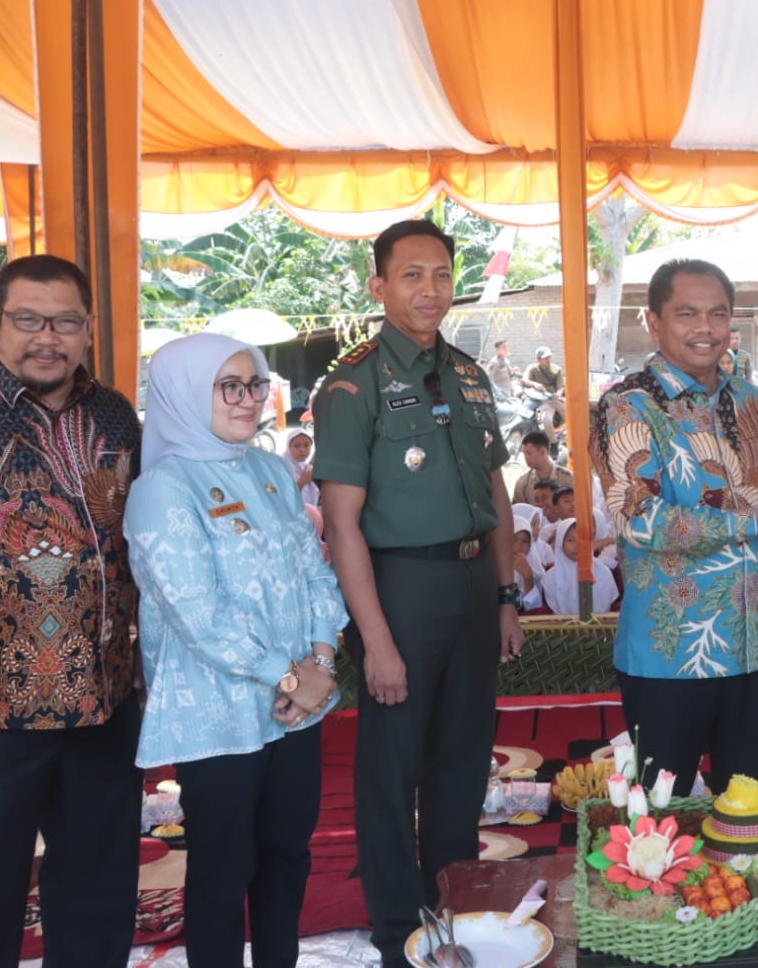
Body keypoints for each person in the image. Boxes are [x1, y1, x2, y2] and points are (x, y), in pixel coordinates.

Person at [311, 219, 525, 968]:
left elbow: (494, 489)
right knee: (390, 769)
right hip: (399, 586)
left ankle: (455, 902)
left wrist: (505, 594)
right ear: (378, 287)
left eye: (440, 274)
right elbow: (341, 526)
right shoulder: (351, 383)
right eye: (410, 275)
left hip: (470, 585)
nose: (429, 289)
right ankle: (397, 929)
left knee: (464, 759)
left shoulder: (468, 373)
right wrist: (374, 641)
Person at [0, 256, 143, 967]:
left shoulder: (114, 414)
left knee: (98, 892)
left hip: (102, 701)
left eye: (64, 321)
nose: (45, 337)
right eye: (27, 319)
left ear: (86, 329)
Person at [125, 334, 348, 968]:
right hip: (216, 716)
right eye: (230, 386)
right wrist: (290, 676)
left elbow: (316, 574)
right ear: (186, 393)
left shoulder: (271, 469)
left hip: (297, 706)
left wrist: (322, 663)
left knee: (287, 856)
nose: (248, 400)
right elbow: (196, 613)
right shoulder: (163, 489)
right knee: (225, 871)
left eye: (255, 384)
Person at [590, 258, 758, 800]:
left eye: (717, 313)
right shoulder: (628, 404)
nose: (706, 328)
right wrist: (754, 520)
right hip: (669, 654)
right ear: (654, 322)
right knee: (660, 819)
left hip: (753, 644)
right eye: (687, 313)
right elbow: (639, 519)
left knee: (751, 812)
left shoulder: (749, 399)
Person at [540, 518, 619, 616]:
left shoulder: (603, 572)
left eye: (582, 540)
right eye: (570, 540)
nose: (577, 545)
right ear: (560, 543)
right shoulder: (551, 577)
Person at [510, 430, 574, 506]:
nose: (526, 458)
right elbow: (520, 512)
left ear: (543, 452)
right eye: (524, 454)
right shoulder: (522, 484)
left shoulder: (568, 479)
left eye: (529, 453)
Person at [523, 346, 564, 446]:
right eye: (545, 358)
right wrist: (535, 384)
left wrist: (558, 394)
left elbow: (560, 388)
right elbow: (524, 380)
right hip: (535, 398)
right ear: (538, 359)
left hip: (551, 399)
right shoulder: (532, 369)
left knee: (568, 415)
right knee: (524, 413)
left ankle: (556, 441)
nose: (548, 360)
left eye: (549, 357)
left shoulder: (557, 369)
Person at [282, 428, 320, 507]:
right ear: (289, 447)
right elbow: (284, 499)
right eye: (296, 446)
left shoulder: (307, 467)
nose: (302, 450)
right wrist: (302, 482)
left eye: (306, 445)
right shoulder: (282, 467)